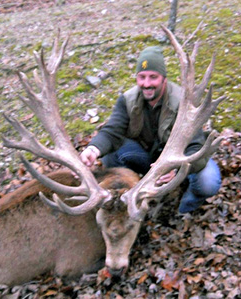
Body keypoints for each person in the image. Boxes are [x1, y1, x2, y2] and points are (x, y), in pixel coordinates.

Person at [80, 46, 221, 213]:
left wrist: (177, 169)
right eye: (142, 77)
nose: (146, 84)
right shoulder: (128, 99)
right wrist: (93, 149)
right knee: (110, 155)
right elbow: (112, 131)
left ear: (164, 79)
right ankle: (126, 200)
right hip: (148, 159)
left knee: (208, 181)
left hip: (178, 162)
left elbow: (196, 147)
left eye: (153, 77)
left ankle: (183, 210)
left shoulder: (183, 102)